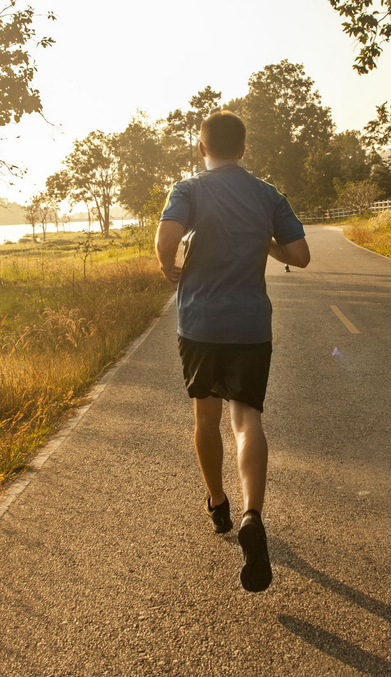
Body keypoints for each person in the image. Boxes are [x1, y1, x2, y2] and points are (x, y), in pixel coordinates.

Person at [154, 110, 310, 592]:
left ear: (202, 148)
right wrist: (263, 242)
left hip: (199, 325)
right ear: (243, 149)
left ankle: (217, 504)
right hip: (249, 326)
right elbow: (300, 255)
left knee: (206, 419)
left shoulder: (189, 189)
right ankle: (252, 515)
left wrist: (169, 267)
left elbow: (166, 238)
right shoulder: (267, 194)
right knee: (247, 421)